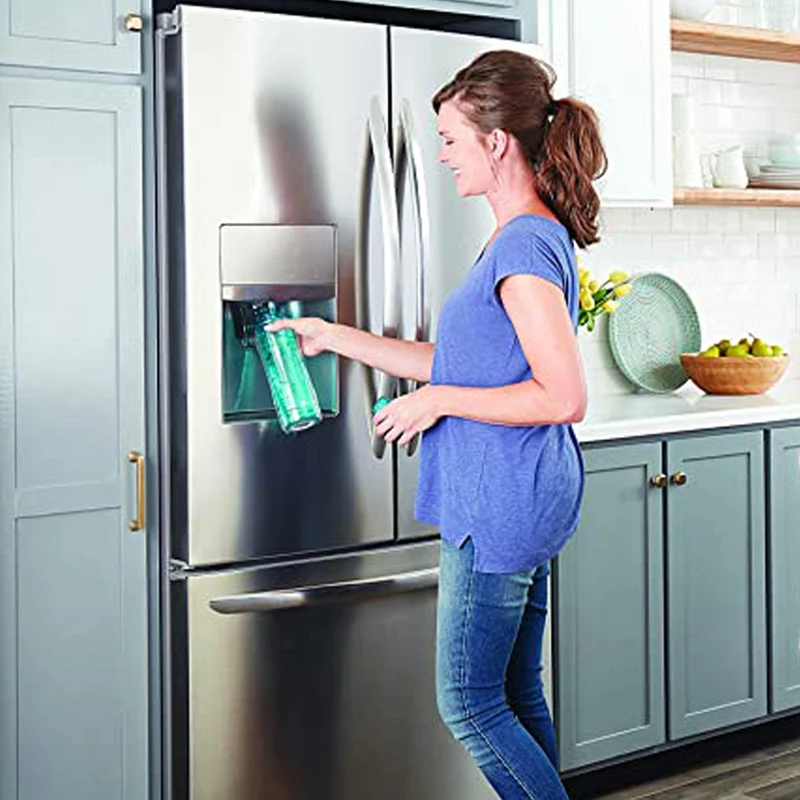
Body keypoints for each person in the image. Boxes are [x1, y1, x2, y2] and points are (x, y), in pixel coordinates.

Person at [268, 49, 606, 800]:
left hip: (497, 504)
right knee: (514, 691)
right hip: (518, 494)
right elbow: (458, 362)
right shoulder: (524, 235)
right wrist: (335, 336)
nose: (444, 155)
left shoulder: (523, 243)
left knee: (469, 702)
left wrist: (439, 401)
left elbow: (562, 396)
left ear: (496, 141)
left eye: (451, 139)